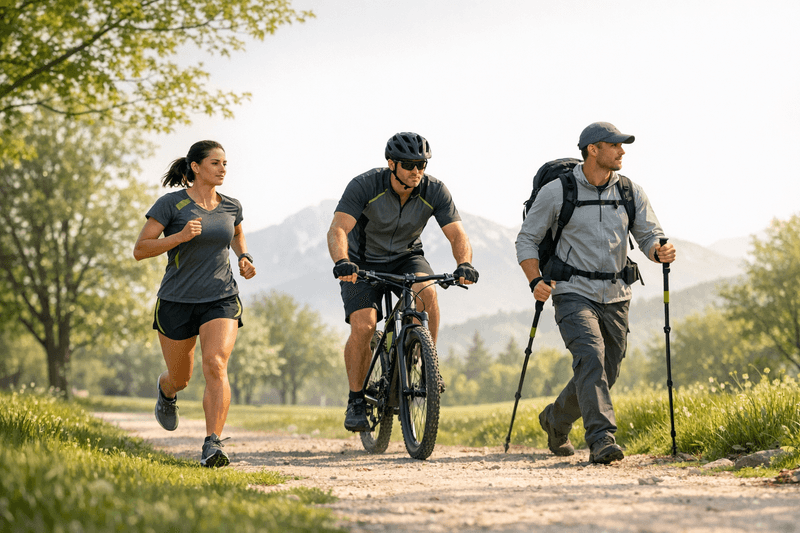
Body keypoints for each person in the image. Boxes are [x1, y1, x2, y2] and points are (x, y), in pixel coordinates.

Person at [515, 122, 676, 464]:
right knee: (590, 357)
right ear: (593, 149)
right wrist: (534, 280)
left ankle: (555, 420)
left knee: (607, 370)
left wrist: (658, 250)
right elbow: (527, 239)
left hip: (617, 294)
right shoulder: (558, 191)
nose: (622, 151)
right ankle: (601, 438)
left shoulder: (630, 191)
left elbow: (649, 235)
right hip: (572, 291)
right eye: (614, 145)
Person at [327, 132, 479, 432]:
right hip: (360, 263)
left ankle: (426, 364)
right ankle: (356, 399)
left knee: (427, 292)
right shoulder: (365, 185)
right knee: (364, 325)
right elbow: (338, 229)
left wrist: (464, 264)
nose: (416, 171)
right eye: (409, 165)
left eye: (422, 164)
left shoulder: (434, 190)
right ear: (391, 164)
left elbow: (457, 234)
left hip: (407, 257)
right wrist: (342, 261)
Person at [133, 140, 256, 468]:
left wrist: (244, 257)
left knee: (215, 364)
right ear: (196, 167)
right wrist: (179, 237)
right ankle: (166, 390)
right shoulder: (170, 205)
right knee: (181, 378)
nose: (222, 169)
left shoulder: (231, 206)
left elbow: (236, 234)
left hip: (221, 297)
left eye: (225, 163)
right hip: (177, 300)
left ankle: (212, 443)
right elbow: (141, 249)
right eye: (215, 163)